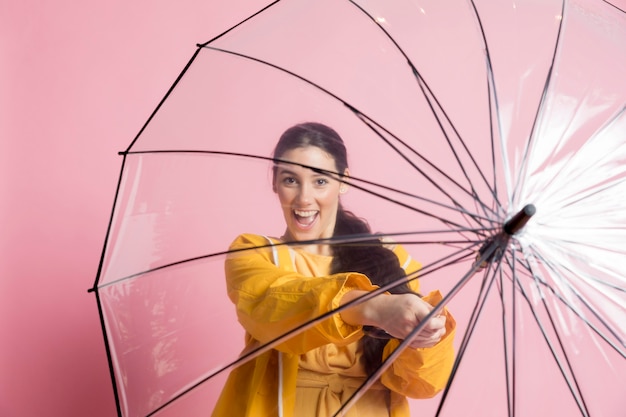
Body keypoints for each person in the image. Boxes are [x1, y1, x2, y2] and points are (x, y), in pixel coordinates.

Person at [212, 122, 456, 417]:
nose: (303, 198)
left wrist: (423, 339)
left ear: (343, 181)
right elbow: (275, 303)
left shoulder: (390, 258)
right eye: (291, 180)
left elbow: (421, 385)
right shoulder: (255, 254)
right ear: (274, 182)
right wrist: (373, 307)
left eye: (320, 181)